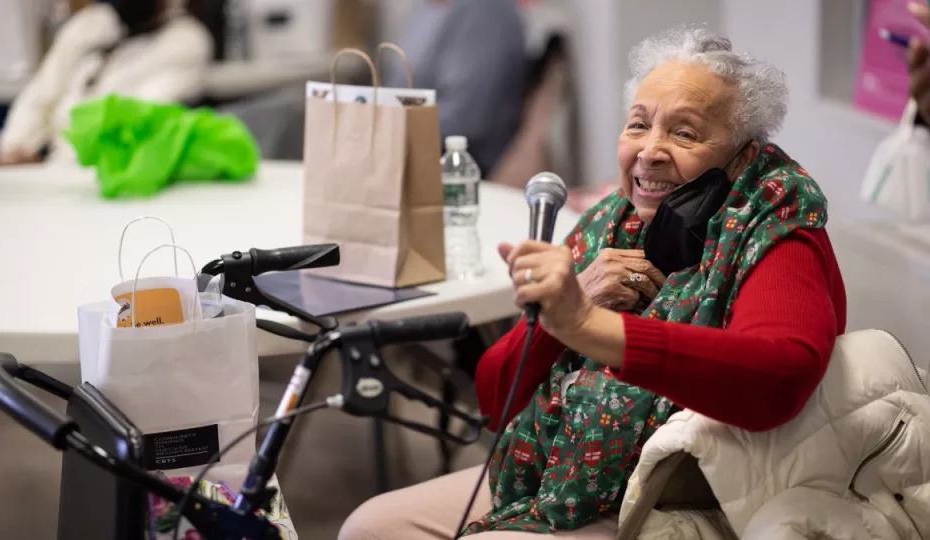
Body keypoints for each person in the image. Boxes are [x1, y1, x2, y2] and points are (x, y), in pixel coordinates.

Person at [340, 26, 846, 539]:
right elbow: (496, 397)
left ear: (741, 157)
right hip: (558, 472)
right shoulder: (609, 221)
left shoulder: (777, 225)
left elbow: (780, 378)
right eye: (638, 126)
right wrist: (566, 314)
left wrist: (588, 325)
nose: (650, 151)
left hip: (680, 499)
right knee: (370, 526)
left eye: (685, 133)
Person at [0, 0, 212, 166]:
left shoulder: (186, 41)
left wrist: (60, 164)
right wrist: (17, 148)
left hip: (101, 176)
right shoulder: (89, 24)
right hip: (42, 174)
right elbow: (40, 94)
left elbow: (134, 123)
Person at [384, 0, 527, 175]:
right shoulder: (424, 8)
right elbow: (396, 88)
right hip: (406, 146)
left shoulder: (486, 11)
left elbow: (466, 117)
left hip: (457, 165)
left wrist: (387, 130)